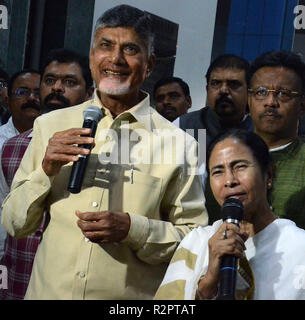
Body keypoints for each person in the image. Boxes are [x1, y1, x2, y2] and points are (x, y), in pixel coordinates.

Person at [1, 5, 207, 300]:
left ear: (149, 64)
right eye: (105, 46)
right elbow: (14, 224)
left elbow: (193, 242)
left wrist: (133, 229)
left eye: (130, 49)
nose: (115, 59)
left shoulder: (181, 145)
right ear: (92, 56)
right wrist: (46, 169)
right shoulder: (50, 126)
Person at [155, 129, 305, 300]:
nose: (229, 181)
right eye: (218, 171)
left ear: (268, 174)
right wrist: (208, 283)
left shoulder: (299, 248)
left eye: (240, 167)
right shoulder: (195, 243)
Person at [0, 48, 94, 300]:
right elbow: (5, 216)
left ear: (89, 93)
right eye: (50, 81)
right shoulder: (12, 147)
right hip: (18, 275)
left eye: (69, 82)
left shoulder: (102, 150)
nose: (57, 89)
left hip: (68, 284)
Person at [248, 50, 305, 229]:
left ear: (302, 106)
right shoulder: (226, 156)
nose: (270, 102)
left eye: (283, 94)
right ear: (249, 100)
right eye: (261, 92)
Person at [0, 69, 41, 260]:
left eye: (38, 92)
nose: (32, 98)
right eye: (22, 92)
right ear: (7, 100)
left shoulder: (54, 142)